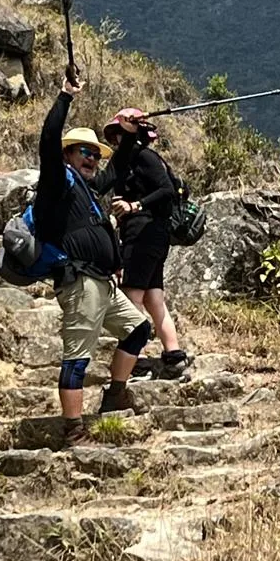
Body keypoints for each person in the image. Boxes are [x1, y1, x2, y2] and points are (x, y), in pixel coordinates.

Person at [34, 72, 152, 444]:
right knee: (78, 357)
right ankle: (72, 429)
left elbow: (116, 169)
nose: (91, 159)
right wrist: (65, 97)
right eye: (84, 152)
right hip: (79, 281)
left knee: (139, 329)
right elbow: (47, 140)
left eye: (94, 154)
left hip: (103, 281)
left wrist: (131, 135)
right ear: (68, 155)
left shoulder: (86, 188)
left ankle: (115, 394)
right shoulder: (58, 181)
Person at [102, 106, 191, 380]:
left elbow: (165, 190)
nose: (116, 140)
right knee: (154, 297)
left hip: (141, 233)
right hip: (156, 234)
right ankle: (173, 355)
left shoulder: (141, 157)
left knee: (133, 294)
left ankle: (136, 358)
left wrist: (134, 205)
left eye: (119, 134)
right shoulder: (147, 158)